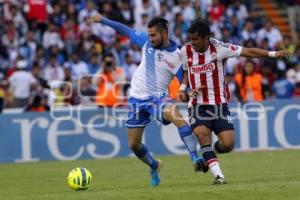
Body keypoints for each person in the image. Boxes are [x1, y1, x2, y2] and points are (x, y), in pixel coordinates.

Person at [89, 14, 206, 186]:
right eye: (149, 35)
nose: (150, 38)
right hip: (136, 98)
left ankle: (195, 158)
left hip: (158, 98)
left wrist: (189, 93)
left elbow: (184, 83)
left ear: (165, 33)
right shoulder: (145, 41)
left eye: (154, 35)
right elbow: (125, 29)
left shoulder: (177, 56)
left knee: (178, 118)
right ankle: (154, 165)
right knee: (133, 145)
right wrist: (103, 20)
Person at [178, 20, 289, 184]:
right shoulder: (185, 51)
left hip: (219, 104)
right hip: (197, 104)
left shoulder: (220, 48)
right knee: (202, 135)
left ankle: (208, 154)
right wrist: (184, 90)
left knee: (228, 144)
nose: (192, 43)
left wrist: (273, 54)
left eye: (196, 39)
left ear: (207, 37)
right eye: (191, 39)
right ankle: (218, 176)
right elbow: (186, 73)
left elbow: (248, 51)